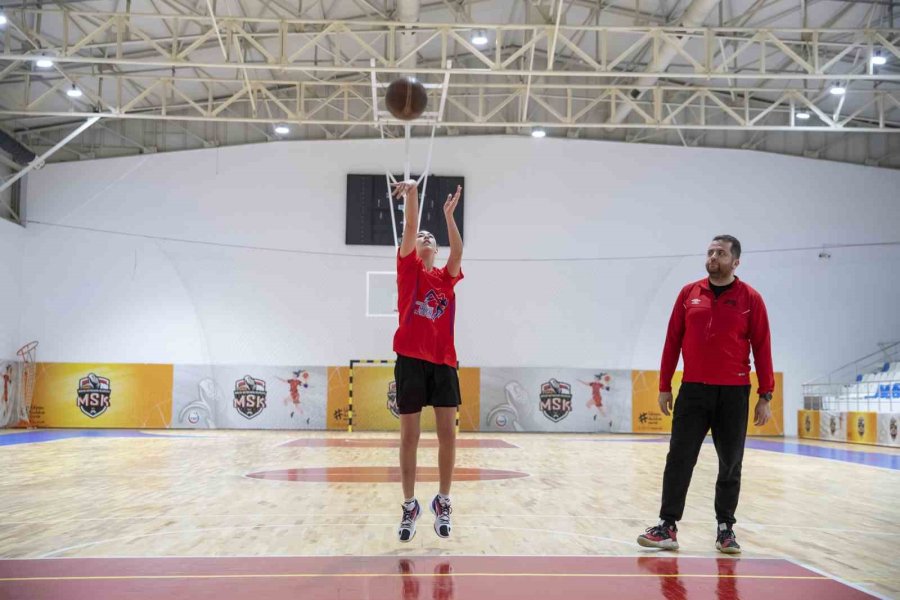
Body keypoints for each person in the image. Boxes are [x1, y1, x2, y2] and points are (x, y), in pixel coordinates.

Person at [637, 235, 774, 554]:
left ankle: (725, 529)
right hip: (693, 391)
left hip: (734, 393)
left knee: (731, 463)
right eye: (710, 252)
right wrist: (664, 385)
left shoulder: (751, 298)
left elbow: (762, 346)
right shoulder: (689, 294)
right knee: (679, 458)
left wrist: (765, 395)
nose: (713, 257)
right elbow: (672, 341)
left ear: (735, 262)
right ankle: (667, 526)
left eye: (721, 253)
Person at [391, 180, 464, 542]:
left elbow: (458, 252)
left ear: (436, 249)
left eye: (430, 237)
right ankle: (409, 506)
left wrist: (449, 217)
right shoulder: (409, 270)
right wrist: (413, 194)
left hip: (444, 362)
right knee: (410, 436)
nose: (424, 237)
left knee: (448, 435)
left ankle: (443, 500)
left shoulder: (446, 279)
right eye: (421, 236)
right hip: (410, 360)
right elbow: (408, 226)